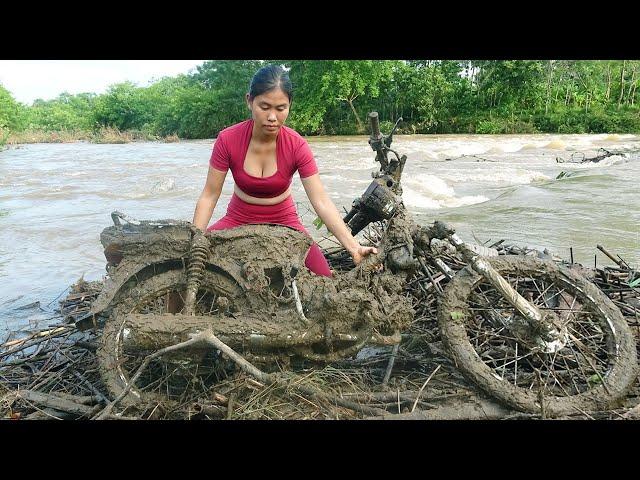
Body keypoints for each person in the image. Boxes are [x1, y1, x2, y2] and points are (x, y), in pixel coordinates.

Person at [192, 64, 377, 277]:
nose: (272, 117)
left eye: (280, 109)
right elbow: (209, 195)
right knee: (187, 265)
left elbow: (321, 202)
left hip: (285, 221)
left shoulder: (297, 145)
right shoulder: (227, 139)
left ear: (289, 106)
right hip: (238, 218)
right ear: (249, 101)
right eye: (264, 107)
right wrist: (197, 238)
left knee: (324, 277)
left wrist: (354, 248)